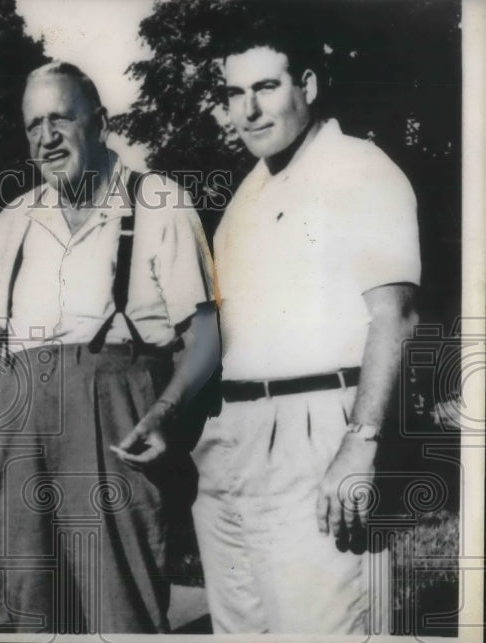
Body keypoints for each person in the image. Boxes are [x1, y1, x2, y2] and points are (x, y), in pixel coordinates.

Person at [0, 61, 219, 633]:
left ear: (99, 122)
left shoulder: (158, 200)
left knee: (117, 601)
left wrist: (163, 413)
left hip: (110, 411)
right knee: (30, 602)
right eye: (33, 125)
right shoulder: (13, 219)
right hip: (17, 421)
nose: (45, 137)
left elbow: (205, 338)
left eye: (60, 118)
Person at [191, 25, 421, 634]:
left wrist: (360, 442)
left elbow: (395, 316)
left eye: (266, 86)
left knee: (324, 625)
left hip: (320, 430)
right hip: (232, 441)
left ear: (308, 85)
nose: (250, 108)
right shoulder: (245, 193)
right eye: (235, 93)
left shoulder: (359, 168)